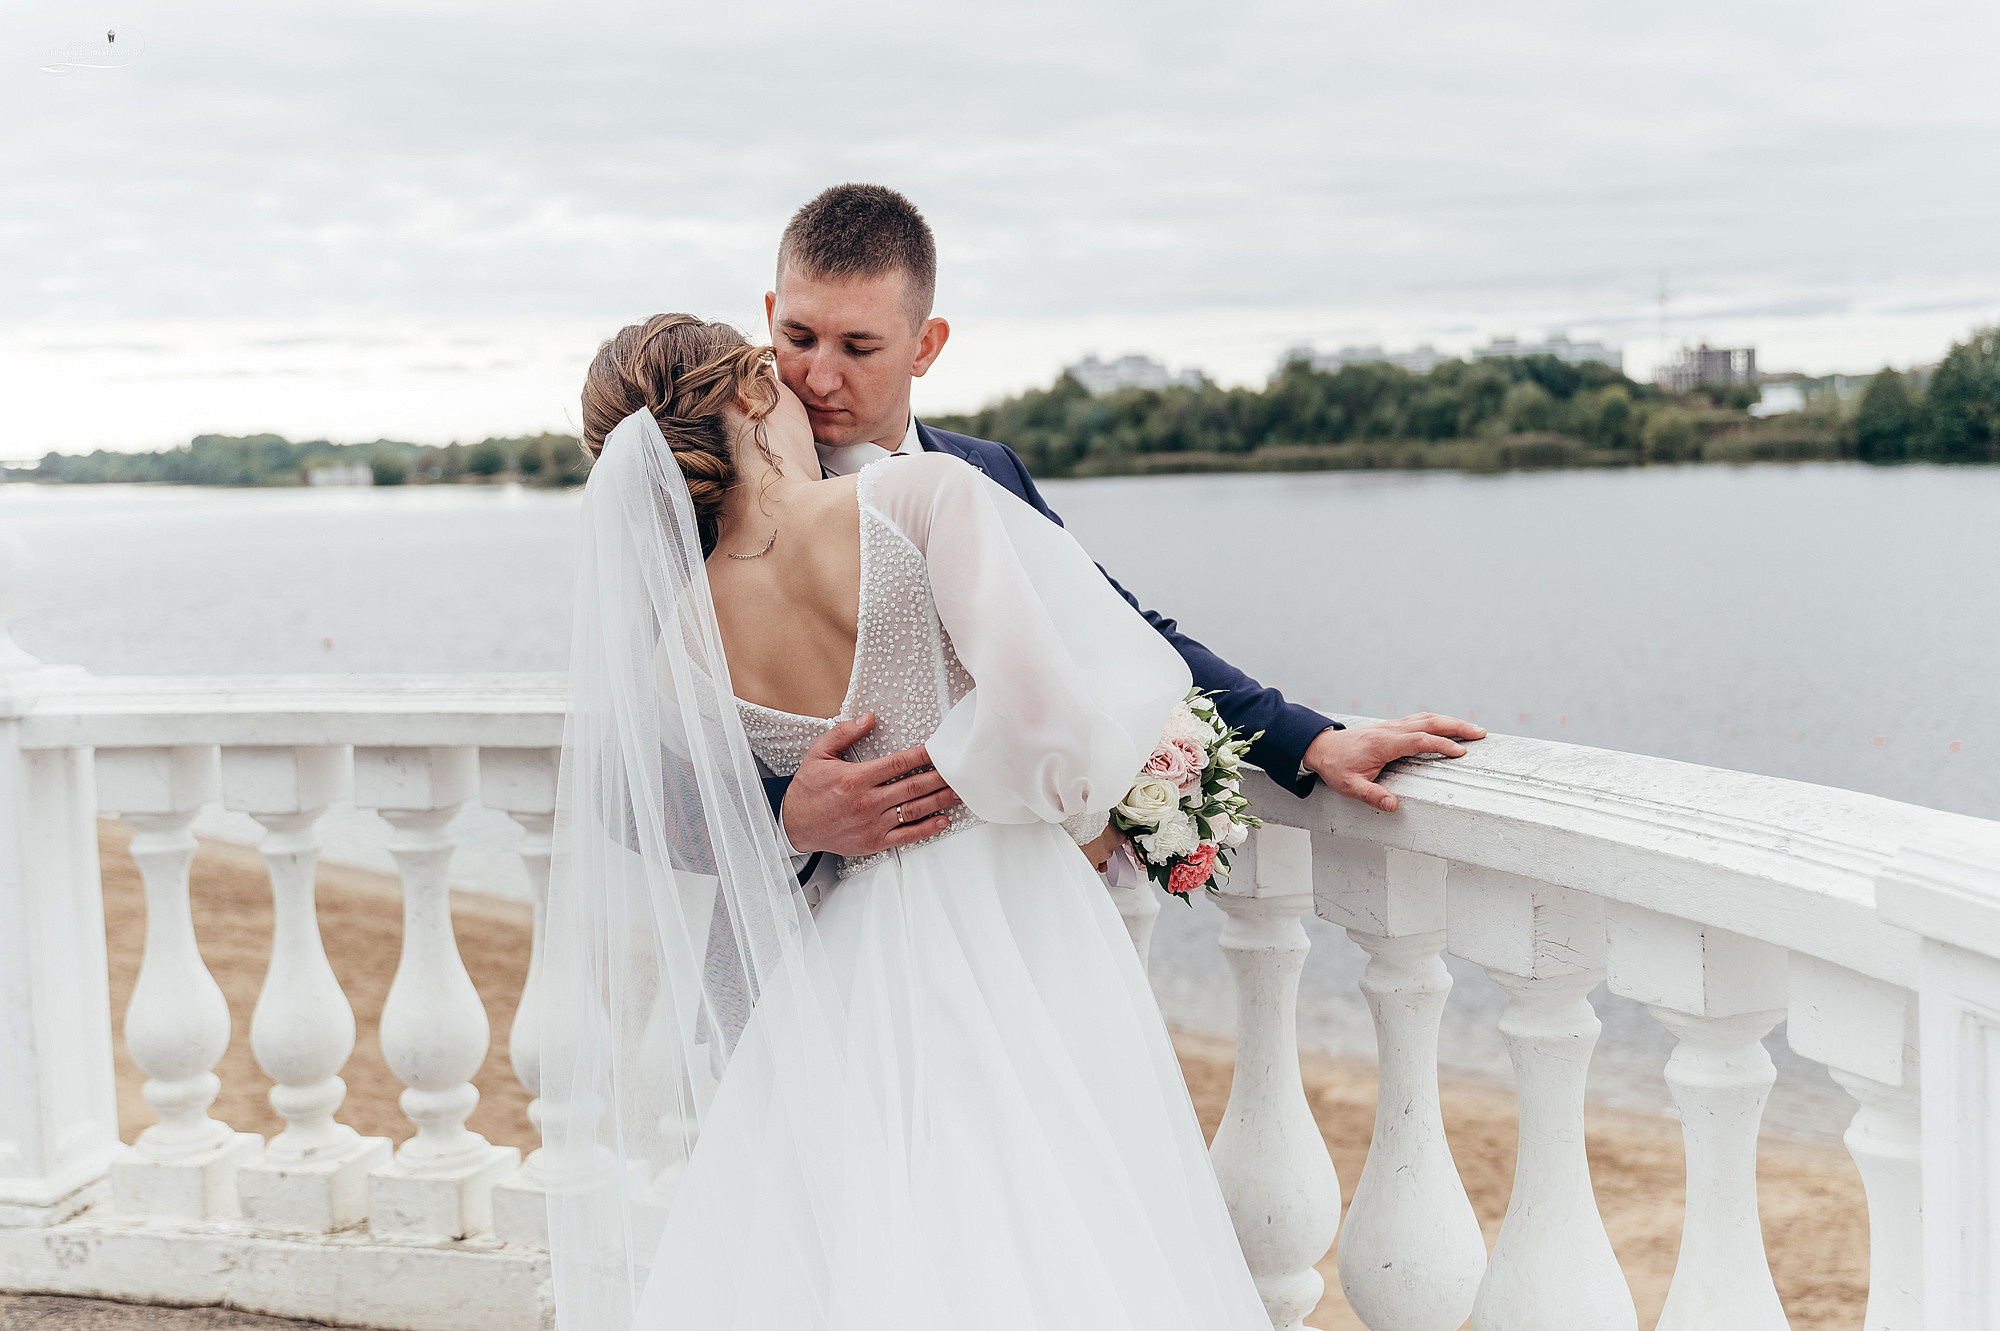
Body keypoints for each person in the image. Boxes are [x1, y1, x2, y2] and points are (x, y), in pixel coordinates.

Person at [544, 312, 1276, 1328]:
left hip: (843, 955)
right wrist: (1086, 815)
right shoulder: (918, 495)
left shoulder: (680, 638)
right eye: (785, 379)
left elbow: (678, 796)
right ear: (755, 391)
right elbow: (1044, 718)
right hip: (1011, 909)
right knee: (1056, 1208)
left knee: (877, 1236)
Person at [760, 183, 1484, 887]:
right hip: (827, 931)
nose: (820, 376)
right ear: (769, 315)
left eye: (859, 346)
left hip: (1022, 898)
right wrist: (788, 819)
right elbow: (657, 760)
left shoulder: (990, 469)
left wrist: (1311, 739)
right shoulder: (728, 503)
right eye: (798, 336)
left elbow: (1118, 625)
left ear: (926, 345)